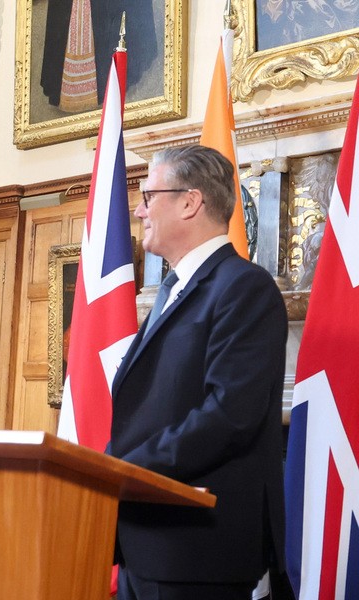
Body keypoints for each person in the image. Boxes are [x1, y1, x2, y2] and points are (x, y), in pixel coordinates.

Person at [108, 145, 288, 600]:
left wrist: (124, 469)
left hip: (196, 549)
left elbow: (230, 413)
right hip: (145, 541)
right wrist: (103, 471)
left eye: (148, 196)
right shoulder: (173, 287)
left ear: (190, 202)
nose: (138, 208)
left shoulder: (244, 287)